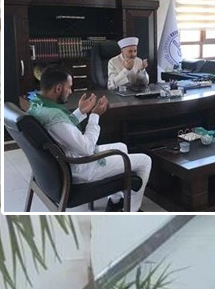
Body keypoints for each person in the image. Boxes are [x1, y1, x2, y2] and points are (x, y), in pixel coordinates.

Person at [27, 65, 152, 212]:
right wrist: (95, 116)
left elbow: (62, 130)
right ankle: (132, 211)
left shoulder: (38, 106)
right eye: (69, 87)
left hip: (62, 162)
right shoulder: (54, 117)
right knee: (145, 161)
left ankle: (115, 202)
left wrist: (80, 112)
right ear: (58, 88)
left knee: (121, 147)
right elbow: (86, 148)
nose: (71, 92)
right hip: (80, 168)